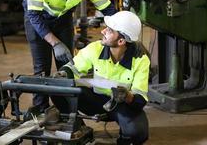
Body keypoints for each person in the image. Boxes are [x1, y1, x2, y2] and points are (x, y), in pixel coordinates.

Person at [22, 0, 116, 112]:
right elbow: (34, 16)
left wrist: (122, 30)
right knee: (41, 68)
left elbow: (108, 9)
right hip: (38, 19)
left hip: (63, 18)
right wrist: (55, 42)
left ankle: (68, 111)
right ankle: (40, 109)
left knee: (67, 66)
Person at [53, 11, 150, 144]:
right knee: (58, 89)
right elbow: (73, 68)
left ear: (121, 41)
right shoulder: (95, 48)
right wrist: (63, 74)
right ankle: (77, 127)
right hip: (95, 100)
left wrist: (127, 96)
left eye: (109, 30)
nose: (103, 31)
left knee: (138, 133)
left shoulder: (140, 60)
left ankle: (124, 140)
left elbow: (140, 99)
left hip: (121, 105)